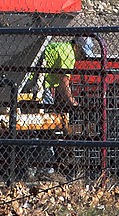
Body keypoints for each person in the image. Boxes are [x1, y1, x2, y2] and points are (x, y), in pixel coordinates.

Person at [30, 36, 96, 180]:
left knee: (42, 126)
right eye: (83, 54)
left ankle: (37, 166)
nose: (82, 58)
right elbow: (63, 83)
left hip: (35, 81)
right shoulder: (68, 54)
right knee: (47, 126)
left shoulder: (60, 47)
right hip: (37, 85)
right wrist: (74, 103)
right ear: (77, 47)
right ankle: (45, 168)